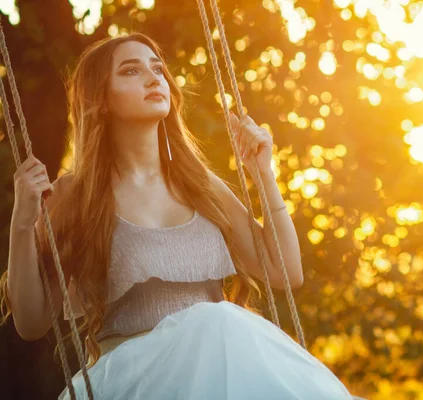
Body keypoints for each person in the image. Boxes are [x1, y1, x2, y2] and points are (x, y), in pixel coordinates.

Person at [0, 33, 355, 399]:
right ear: (101, 99)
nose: (155, 78)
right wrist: (22, 223)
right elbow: (31, 321)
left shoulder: (200, 185)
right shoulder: (78, 194)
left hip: (218, 379)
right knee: (216, 320)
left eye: (158, 68)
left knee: (218, 319)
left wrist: (264, 174)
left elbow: (285, 272)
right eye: (131, 70)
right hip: (137, 382)